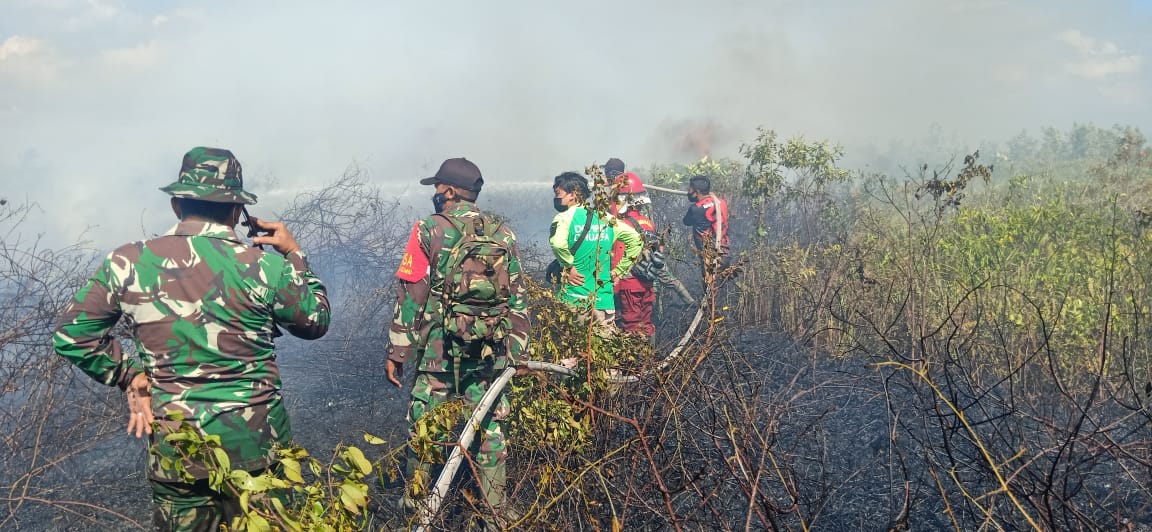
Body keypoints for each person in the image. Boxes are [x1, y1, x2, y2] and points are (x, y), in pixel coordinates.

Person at [52, 147, 331, 531]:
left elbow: (71, 334)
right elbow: (314, 321)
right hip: (259, 453)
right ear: (237, 211)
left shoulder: (127, 263)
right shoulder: (266, 266)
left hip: (177, 454)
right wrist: (295, 254)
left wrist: (128, 374)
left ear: (176, 205)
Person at [384, 157, 530, 521]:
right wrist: (516, 355)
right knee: (490, 425)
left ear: (448, 192)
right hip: (490, 352)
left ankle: (417, 507)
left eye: (437, 188)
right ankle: (496, 511)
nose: (435, 194)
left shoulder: (427, 229)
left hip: (439, 352)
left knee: (425, 424)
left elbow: (412, 296)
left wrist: (397, 351)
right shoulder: (504, 233)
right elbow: (518, 299)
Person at [550, 171, 642, 328]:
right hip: (604, 301)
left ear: (572, 195)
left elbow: (558, 244)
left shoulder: (564, 218)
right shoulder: (606, 218)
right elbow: (637, 240)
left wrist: (569, 266)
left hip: (574, 299)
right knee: (603, 348)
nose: (557, 199)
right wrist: (619, 271)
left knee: (574, 350)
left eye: (559, 194)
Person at [682, 175, 731, 281]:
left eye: (689, 189)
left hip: (711, 260)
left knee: (709, 292)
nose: (688, 191)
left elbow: (686, 222)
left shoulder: (696, 209)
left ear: (697, 192)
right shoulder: (721, 202)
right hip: (725, 255)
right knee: (721, 291)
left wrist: (698, 203)